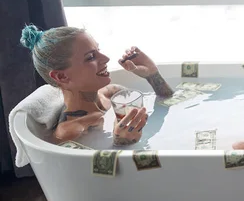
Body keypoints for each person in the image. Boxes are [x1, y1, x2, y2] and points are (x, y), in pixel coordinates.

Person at [20, 24, 174, 146]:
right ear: (62, 76)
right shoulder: (70, 132)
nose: (106, 58)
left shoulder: (113, 93)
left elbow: (166, 107)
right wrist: (121, 144)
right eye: (91, 57)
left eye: (98, 50)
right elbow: (93, 179)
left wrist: (152, 75)